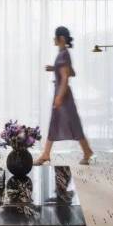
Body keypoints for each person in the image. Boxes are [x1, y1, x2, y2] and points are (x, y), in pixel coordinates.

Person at [34, 26, 94, 166]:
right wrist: (55, 68)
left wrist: (59, 97)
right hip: (64, 93)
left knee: (65, 123)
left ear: (60, 38)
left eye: (55, 37)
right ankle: (86, 151)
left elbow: (66, 77)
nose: (53, 39)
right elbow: (72, 72)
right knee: (68, 123)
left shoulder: (63, 54)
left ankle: (46, 154)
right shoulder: (64, 53)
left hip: (63, 94)